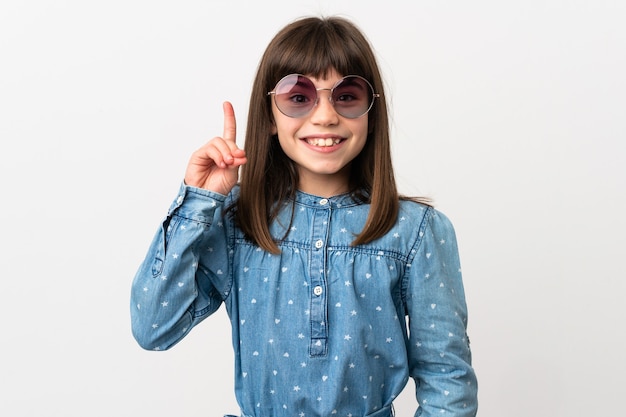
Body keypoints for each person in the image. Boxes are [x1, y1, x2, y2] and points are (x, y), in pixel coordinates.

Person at [130, 15, 478, 417]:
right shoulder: (236, 221)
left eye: (346, 96)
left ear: (371, 111)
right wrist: (198, 202)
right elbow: (152, 327)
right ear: (271, 116)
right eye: (299, 97)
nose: (325, 116)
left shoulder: (415, 231)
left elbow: (447, 381)